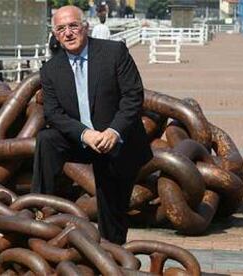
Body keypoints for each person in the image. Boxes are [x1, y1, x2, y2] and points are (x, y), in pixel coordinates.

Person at [32, 5, 153, 245]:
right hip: (83, 138)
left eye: (73, 26)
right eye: (61, 29)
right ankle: (41, 209)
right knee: (46, 141)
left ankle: (111, 248)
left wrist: (113, 131)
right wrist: (84, 134)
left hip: (116, 138)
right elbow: (53, 113)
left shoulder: (114, 52)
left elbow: (133, 96)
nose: (68, 33)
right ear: (55, 35)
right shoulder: (50, 70)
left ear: (85, 27)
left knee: (111, 196)